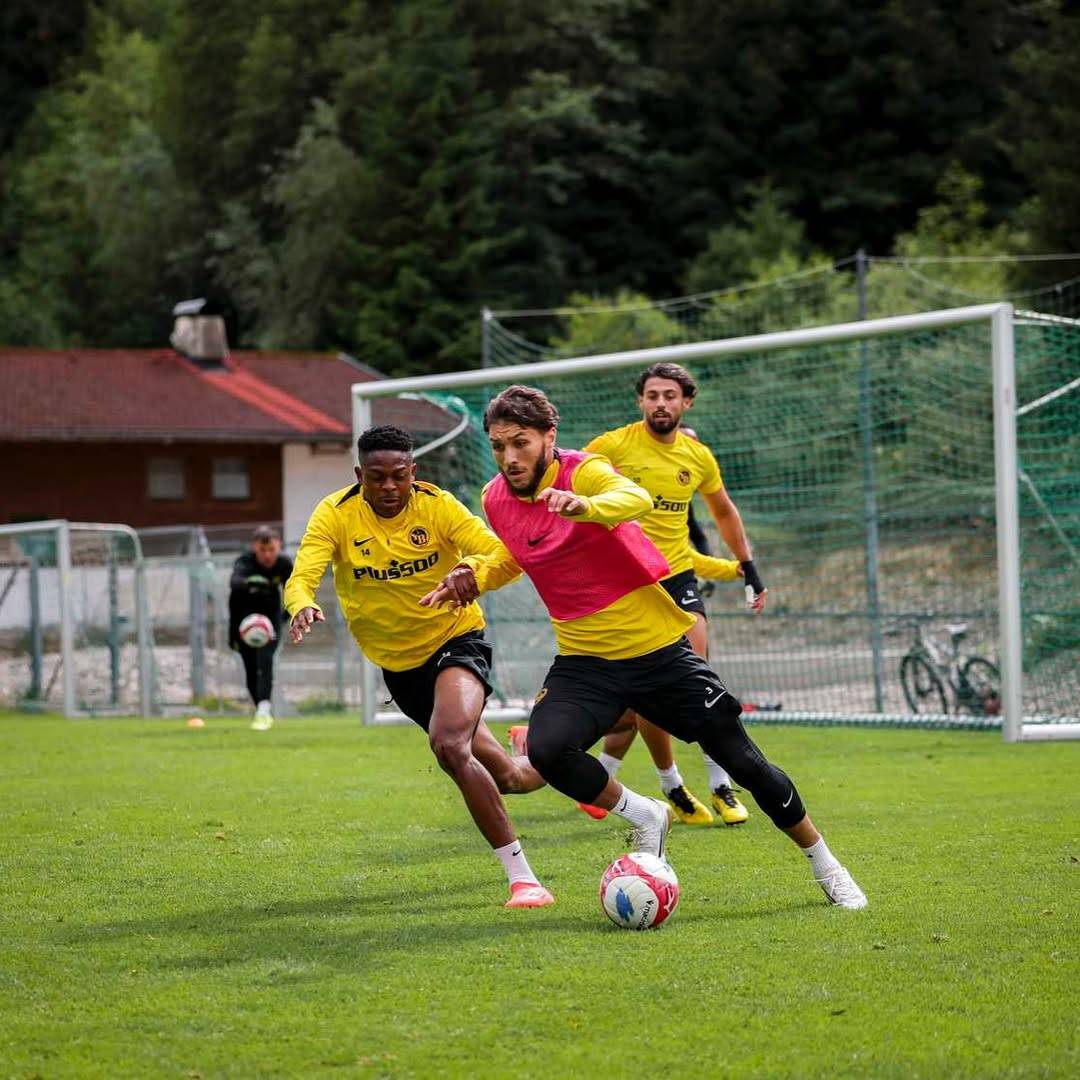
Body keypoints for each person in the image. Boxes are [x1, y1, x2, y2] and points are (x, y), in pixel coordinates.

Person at [422, 386, 867, 909]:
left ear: (549, 437)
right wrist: (471, 574)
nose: (509, 457)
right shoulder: (495, 497)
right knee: (546, 750)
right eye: (499, 446)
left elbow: (633, 498)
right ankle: (646, 813)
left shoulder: (584, 471)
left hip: (658, 653)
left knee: (744, 762)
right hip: (585, 661)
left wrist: (586, 506)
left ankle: (826, 864)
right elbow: (512, 558)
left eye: (521, 442)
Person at [283, 425, 554, 909]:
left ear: (414, 471)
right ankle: (549, 754)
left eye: (399, 476)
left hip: (456, 641)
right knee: (510, 778)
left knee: (448, 745)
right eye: (377, 477)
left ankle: (524, 880)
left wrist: (469, 570)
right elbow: (303, 573)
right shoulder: (335, 513)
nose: (389, 486)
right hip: (399, 667)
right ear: (359, 475)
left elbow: (498, 551)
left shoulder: (438, 506)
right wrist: (301, 602)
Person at [576, 365, 765, 825]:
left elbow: (723, 510)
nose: (661, 403)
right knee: (648, 694)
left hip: (677, 576)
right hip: (628, 582)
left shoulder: (697, 456)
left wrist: (748, 566)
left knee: (700, 679)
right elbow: (569, 481)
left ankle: (720, 784)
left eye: (670, 395)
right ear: (640, 401)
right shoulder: (612, 446)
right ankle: (672, 785)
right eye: (653, 395)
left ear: (686, 402)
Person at [229, 525, 293, 731]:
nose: (267, 555)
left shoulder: (284, 564)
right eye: (262, 550)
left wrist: (284, 617)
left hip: (269, 619)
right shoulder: (245, 562)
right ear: (254, 547)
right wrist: (250, 583)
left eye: (271, 550)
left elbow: (295, 589)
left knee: (265, 660)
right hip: (243, 620)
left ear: (279, 546)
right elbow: (234, 581)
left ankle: (264, 711)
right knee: (250, 667)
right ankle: (261, 709)